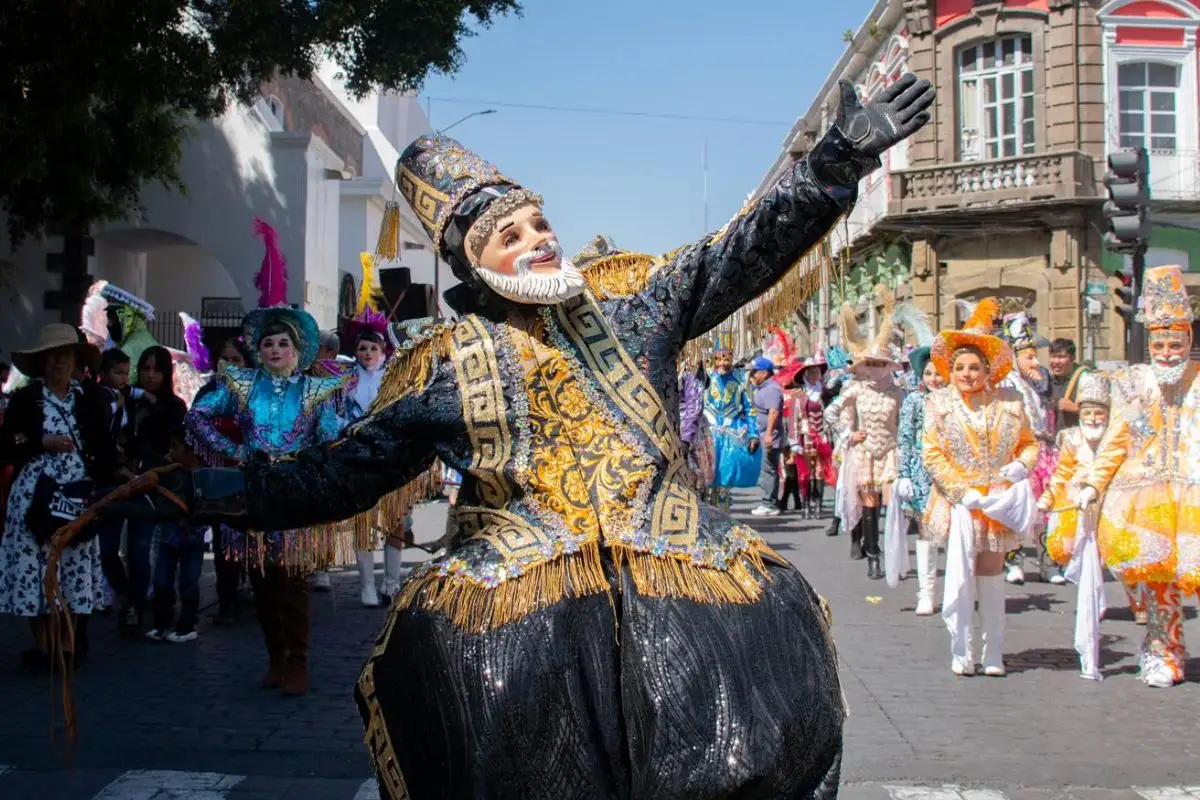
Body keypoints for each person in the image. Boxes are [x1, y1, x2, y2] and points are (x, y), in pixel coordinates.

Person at [99, 73, 933, 797]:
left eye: (539, 223)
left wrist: (832, 165)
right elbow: (342, 476)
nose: (539, 241)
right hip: (526, 604)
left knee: (761, 689)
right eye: (512, 235)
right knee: (473, 699)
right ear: (473, 263)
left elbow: (741, 253)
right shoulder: (447, 364)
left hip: (681, 578)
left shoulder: (633, 303)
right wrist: (212, 491)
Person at [185, 219, 348, 695]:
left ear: (298, 351)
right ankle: (275, 657)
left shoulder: (318, 389)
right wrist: (234, 451)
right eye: (269, 343)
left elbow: (333, 434)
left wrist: (320, 455)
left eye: (283, 343)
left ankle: (298, 660)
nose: (275, 349)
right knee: (261, 581)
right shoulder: (239, 384)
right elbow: (197, 419)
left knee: (293, 581)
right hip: (253, 489)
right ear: (258, 351)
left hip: (294, 493)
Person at [1078, 264, 1199, 688]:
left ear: (1189, 341)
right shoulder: (1133, 384)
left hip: (1194, 497)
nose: (1167, 352)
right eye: (1159, 343)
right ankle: (1164, 652)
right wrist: (1093, 483)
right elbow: (1115, 439)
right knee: (1157, 583)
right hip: (1143, 500)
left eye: (1175, 343)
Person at [923, 298, 1038, 677]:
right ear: (950, 370)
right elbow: (933, 454)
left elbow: (1029, 443)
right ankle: (962, 648)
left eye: (974, 367)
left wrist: (1022, 465)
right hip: (960, 502)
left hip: (996, 503)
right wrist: (960, 491)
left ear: (988, 370)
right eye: (959, 367)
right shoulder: (937, 404)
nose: (967, 374)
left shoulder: (1010, 402)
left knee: (990, 574)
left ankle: (993, 652)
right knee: (960, 573)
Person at [0, 324, 118, 672]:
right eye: (53, 357)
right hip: (35, 495)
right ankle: (43, 648)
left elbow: (103, 447)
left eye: (65, 356)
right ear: (42, 363)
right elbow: (8, 443)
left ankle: (68, 647)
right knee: (33, 570)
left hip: (76, 494)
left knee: (75, 567)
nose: (59, 363)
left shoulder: (88, 399)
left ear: (76, 361)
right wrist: (41, 442)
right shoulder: (25, 399)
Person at [1037, 371, 1113, 679]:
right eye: (1087, 413)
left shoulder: (1115, 439)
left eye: (1099, 413)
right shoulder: (1069, 438)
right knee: (1086, 577)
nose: (1093, 419)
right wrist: (1050, 495)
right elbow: (1061, 472)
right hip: (1076, 514)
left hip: (1108, 512)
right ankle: (1088, 642)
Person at [835, 286, 904, 579]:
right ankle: (873, 555)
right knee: (870, 504)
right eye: (872, 363)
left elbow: (906, 423)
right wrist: (849, 435)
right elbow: (833, 412)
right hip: (864, 452)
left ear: (888, 366)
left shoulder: (899, 393)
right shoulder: (856, 390)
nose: (875, 368)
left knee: (893, 502)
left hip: (890, 452)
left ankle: (895, 552)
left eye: (880, 364)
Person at [895, 346, 943, 615]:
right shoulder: (914, 401)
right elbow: (904, 437)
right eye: (929, 373)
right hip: (921, 472)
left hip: (952, 474)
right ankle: (926, 592)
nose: (934, 379)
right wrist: (903, 475)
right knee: (926, 531)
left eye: (938, 373)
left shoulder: (955, 400)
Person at [703, 347, 760, 510]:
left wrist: (753, 434)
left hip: (730, 437)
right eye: (719, 360)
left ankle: (723, 516)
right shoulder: (705, 381)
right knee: (705, 481)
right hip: (708, 435)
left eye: (726, 360)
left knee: (724, 480)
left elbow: (750, 410)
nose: (723, 363)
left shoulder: (740, 384)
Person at [749, 356, 785, 517]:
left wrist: (769, 434)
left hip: (770, 435)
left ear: (764, 373)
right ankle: (770, 501)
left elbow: (774, 412)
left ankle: (769, 503)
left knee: (768, 470)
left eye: (755, 371)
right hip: (763, 434)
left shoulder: (772, 389)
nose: (752, 374)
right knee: (767, 469)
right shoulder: (762, 388)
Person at [1048, 338, 1086, 431]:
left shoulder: (1084, 380)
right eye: (1053, 356)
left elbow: (1101, 414)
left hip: (1078, 440)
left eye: (1061, 357)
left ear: (1072, 358)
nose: (1056, 361)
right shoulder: (1047, 383)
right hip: (1054, 442)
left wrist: (1075, 409)